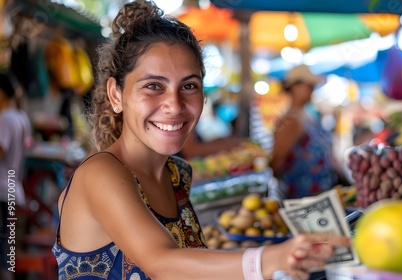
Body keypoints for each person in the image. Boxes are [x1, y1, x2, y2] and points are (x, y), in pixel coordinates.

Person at [52, 1, 351, 279]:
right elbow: (161, 262)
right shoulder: (100, 173)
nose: (175, 104)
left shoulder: (177, 175)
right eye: (154, 86)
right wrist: (268, 259)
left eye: (189, 86)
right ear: (116, 94)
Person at [270, 65, 340, 199]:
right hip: (303, 199)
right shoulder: (289, 121)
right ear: (294, 86)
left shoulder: (307, 114)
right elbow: (276, 162)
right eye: (309, 85)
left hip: (320, 194)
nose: (312, 89)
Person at [0, 72, 32, 280]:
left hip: (1, 191)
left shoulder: (5, 119)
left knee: (4, 252)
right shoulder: (22, 117)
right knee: (8, 249)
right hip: (13, 189)